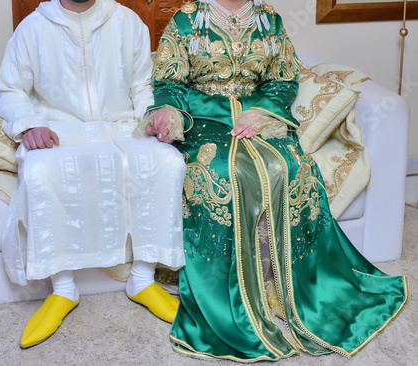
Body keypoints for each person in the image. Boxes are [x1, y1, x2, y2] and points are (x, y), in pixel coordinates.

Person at [142, 0, 408, 362]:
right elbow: (168, 81)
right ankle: (233, 294)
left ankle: (282, 287)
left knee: (291, 168)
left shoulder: (268, 19)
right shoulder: (187, 20)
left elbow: (283, 79)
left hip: (258, 116)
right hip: (202, 119)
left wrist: (263, 111)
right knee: (223, 174)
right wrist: (168, 112)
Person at [0, 0, 186, 349]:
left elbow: (143, 86)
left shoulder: (128, 22)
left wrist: (153, 116)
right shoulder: (33, 28)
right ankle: (64, 289)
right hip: (61, 131)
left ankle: (142, 279)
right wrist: (30, 124)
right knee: (40, 170)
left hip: (122, 127)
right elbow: (9, 90)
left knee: (167, 161)